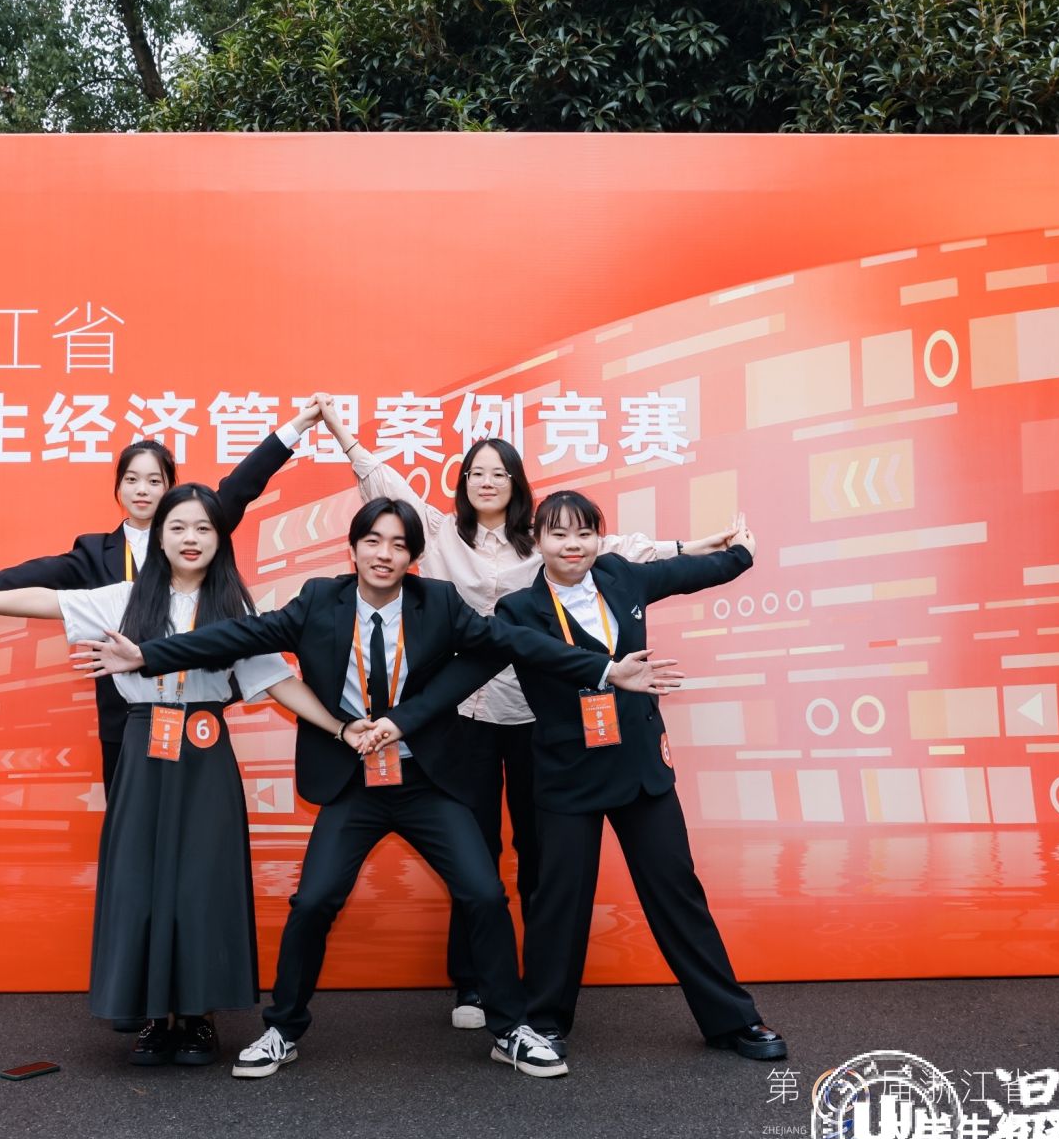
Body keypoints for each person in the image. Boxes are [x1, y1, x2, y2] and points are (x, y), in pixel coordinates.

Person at [76, 497, 685, 1081]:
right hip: (354, 785)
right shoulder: (319, 600)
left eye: (398, 545)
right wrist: (147, 656)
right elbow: (237, 636)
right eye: (372, 541)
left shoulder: (438, 603)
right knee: (313, 901)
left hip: (425, 781)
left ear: (413, 558)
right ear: (353, 549)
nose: (384, 554)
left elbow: (514, 642)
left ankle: (510, 1030)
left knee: (482, 893)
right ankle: (282, 1029)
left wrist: (605, 669)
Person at [315, 397, 742, 1030]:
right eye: (476, 473)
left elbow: (621, 550)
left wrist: (694, 545)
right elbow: (384, 484)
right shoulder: (440, 534)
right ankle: (474, 984)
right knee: (474, 847)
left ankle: (542, 990)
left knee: (543, 855)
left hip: (538, 713)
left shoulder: (543, 545)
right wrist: (341, 432)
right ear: (462, 483)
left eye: (499, 473)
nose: (487, 482)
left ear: (517, 486)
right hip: (467, 710)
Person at [0, 484, 358, 1069]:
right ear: (159, 538)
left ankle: (197, 1018)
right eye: (178, 527)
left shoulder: (234, 608)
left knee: (202, 884)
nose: (191, 539)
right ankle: (153, 1017)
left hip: (205, 753)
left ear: (220, 538)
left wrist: (341, 728)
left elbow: (279, 681)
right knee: (140, 880)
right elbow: (48, 600)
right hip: (143, 749)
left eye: (203, 528)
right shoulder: (123, 598)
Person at [390, 490, 785, 1064]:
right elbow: (465, 673)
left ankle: (732, 1020)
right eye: (558, 534)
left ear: (599, 538)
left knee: (677, 892)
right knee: (559, 903)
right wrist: (401, 722)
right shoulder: (519, 611)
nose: (572, 545)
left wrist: (741, 554)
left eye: (584, 533)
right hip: (567, 776)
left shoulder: (623, 577)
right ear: (538, 542)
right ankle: (545, 1023)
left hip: (640, 771)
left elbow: (688, 574)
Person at [0, 401, 325, 793]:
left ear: (171, 489)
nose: (142, 490)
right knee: (129, 815)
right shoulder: (95, 552)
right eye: (131, 480)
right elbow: (36, 580)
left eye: (154, 481)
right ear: (118, 488)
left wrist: (297, 426)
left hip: (195, 713)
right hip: (126, 716)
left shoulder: (194, 533)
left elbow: (241, 485)